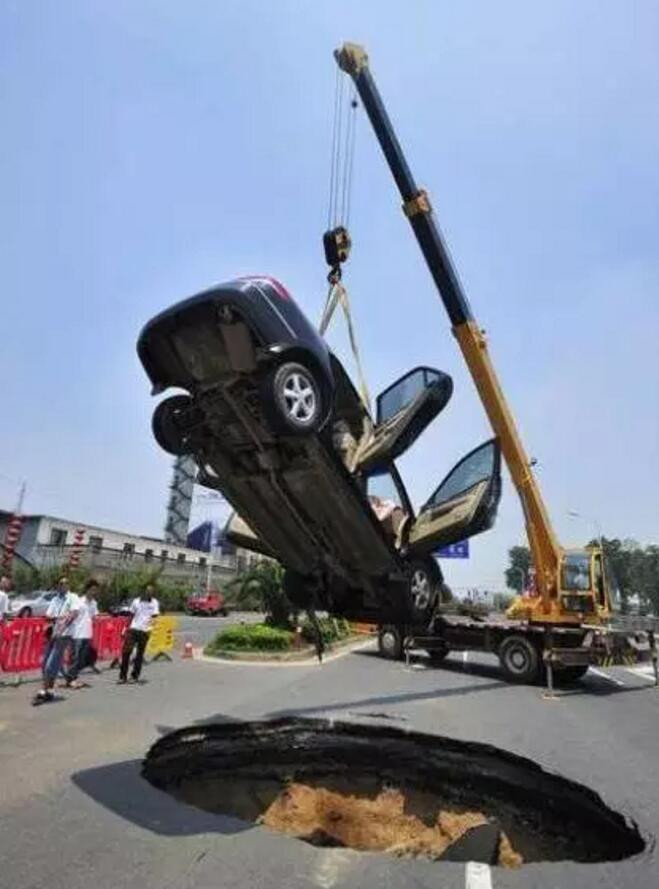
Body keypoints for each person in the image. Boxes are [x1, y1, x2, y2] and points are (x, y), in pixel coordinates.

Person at [33, 576, 79, 705]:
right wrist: (55, 619)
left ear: (69, 585)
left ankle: (43, 690)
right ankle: (50, 690)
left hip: (64, 635)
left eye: (66, 583)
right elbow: (49, 615)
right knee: (46, 662)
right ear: (58, 586)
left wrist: (63, 624)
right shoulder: (55, 599)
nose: (63, 585)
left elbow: (74, 613)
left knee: (51, 663)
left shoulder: (73, 597)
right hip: (53, 633)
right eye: (61, 583)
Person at [118, 583, 160, 684]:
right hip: (133, 629)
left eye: (151, 591)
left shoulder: (154, 602)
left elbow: (155, 617)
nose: (150, 593)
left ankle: (134, 676)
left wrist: (151, 629)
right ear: (143, 591)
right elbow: (131, 616)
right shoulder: (136, 601)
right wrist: (124, 629)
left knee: (139, 655)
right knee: (126, 652)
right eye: (148, 590)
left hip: (145, 631)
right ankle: (123, 676)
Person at [63, 579, 99, 689]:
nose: (93, 592)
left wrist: (96, 619)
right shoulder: (79, 601)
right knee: (75, 657)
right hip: (77, 633)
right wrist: (65, 628)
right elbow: (72, 615)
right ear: (87, 589)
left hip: (87, 634)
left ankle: (72, 677)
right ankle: (71, 679)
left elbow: (94, 616)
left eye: (95, 590)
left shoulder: (94, 603)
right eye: (92, 590)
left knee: (82, 659)